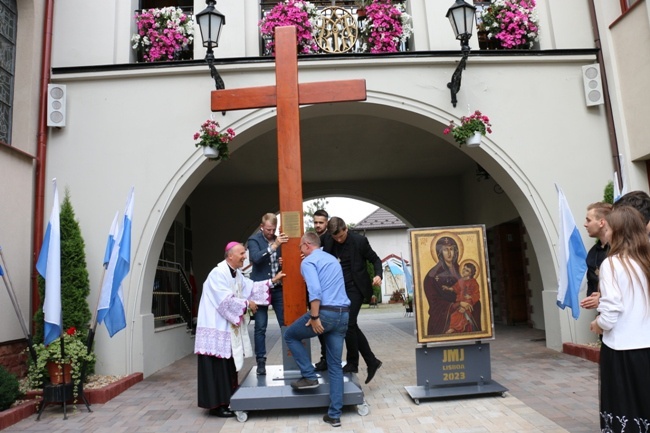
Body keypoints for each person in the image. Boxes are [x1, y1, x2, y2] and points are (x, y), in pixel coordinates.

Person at [194, 242, 285, 417]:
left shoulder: (236, 274)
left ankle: (228, 399)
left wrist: (273, 281)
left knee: (227, 366)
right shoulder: (217, 273)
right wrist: (247, 304)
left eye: (245, 253)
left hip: (227, 327)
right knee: (217, 367)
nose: (245, 256)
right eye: (242, 253)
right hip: (215, 328)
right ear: (230, 256)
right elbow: (224, 300)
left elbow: (251, 287)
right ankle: (217, 405)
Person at [590, 206, 650, 432]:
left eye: (609, 227)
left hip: (622, 349)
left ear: (619, 231)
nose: (606, 231)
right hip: (646, 345)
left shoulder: (612, 264)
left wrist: (598, 325)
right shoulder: (645, 260)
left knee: (625, 409)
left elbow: (611, 311)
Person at [284, 232, 350, 428]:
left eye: (300, 248)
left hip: (325, 313)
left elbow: (315, 290)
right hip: (343, 314)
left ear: (306, 245)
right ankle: (335, 415)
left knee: (290, 335)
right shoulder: (331, 259)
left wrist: (314, 317)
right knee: (335, 365)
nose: (300, 252)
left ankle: (309, 376)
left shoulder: (308, 262)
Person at [322, 216, 383, 384]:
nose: (339, 240)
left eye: (341, 236)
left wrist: (378, 275)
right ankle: (367, 362)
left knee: (349, 323)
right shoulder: (327, 239)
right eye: (336, 238)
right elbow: (313, 246)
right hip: (337, 289)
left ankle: (355, 362)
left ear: (346, 229)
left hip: (356, 288)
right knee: (349, 325)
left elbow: (375, 259)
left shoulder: (359, 241)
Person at [247, 213, 288, 375]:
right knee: (260, 327)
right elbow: (256, 258)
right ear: (262, 226)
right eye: (268, 229)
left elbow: (282, 260)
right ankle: (261, 361)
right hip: (260, 288)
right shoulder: (254, 240)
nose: (271, 232)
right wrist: (274, 246)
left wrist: (282, 261)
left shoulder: (279, 240)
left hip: (277, 287)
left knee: (285, 324)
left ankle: (291, 359)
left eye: (273, 229)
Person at [423, 236, 462, 335]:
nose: (449, 253)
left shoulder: (463, 270)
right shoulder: (432, 276)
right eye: (445, 250)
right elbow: (434, 302)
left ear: (456, 251)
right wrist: (455, 305)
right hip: (443, 317)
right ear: (440, 253)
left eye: (451, 249)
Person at [580, 202, 612, 310]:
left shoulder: (621, 250)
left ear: (601, 222)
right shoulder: (593, 253)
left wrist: (602, 297)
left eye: (588, 220)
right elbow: (592, 286)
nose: (585, 224)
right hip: (604, 315)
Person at [446, 262, 480, 333]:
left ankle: (453, 329)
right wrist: (448, 288)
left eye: (467, 270)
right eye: (464, 269)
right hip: (460, 301)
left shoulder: (473, 282)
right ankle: (453, 328)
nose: (464, 271)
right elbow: (455, 288)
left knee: (459, 315)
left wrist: (470, 296)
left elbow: (477, 294)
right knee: (454, 315)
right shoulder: (460, 281)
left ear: (470, 274)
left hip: (468, 302)